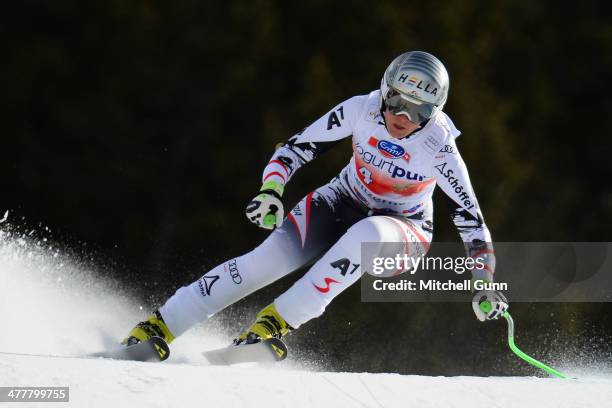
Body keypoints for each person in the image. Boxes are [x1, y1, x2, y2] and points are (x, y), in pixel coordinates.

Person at [122, 51, 509, 349]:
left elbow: (472, 222)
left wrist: (483, 280)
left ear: (434, 111)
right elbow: (294, 149)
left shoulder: (439, 147)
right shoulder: (362, 109)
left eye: (418, 109)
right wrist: (271, 191)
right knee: (266, 261)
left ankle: (274, 323)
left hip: (405, 232)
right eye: (396, 100)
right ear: (384, 90)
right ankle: (160, 324)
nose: (402, 115)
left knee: (366, 234)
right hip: (343, 199)